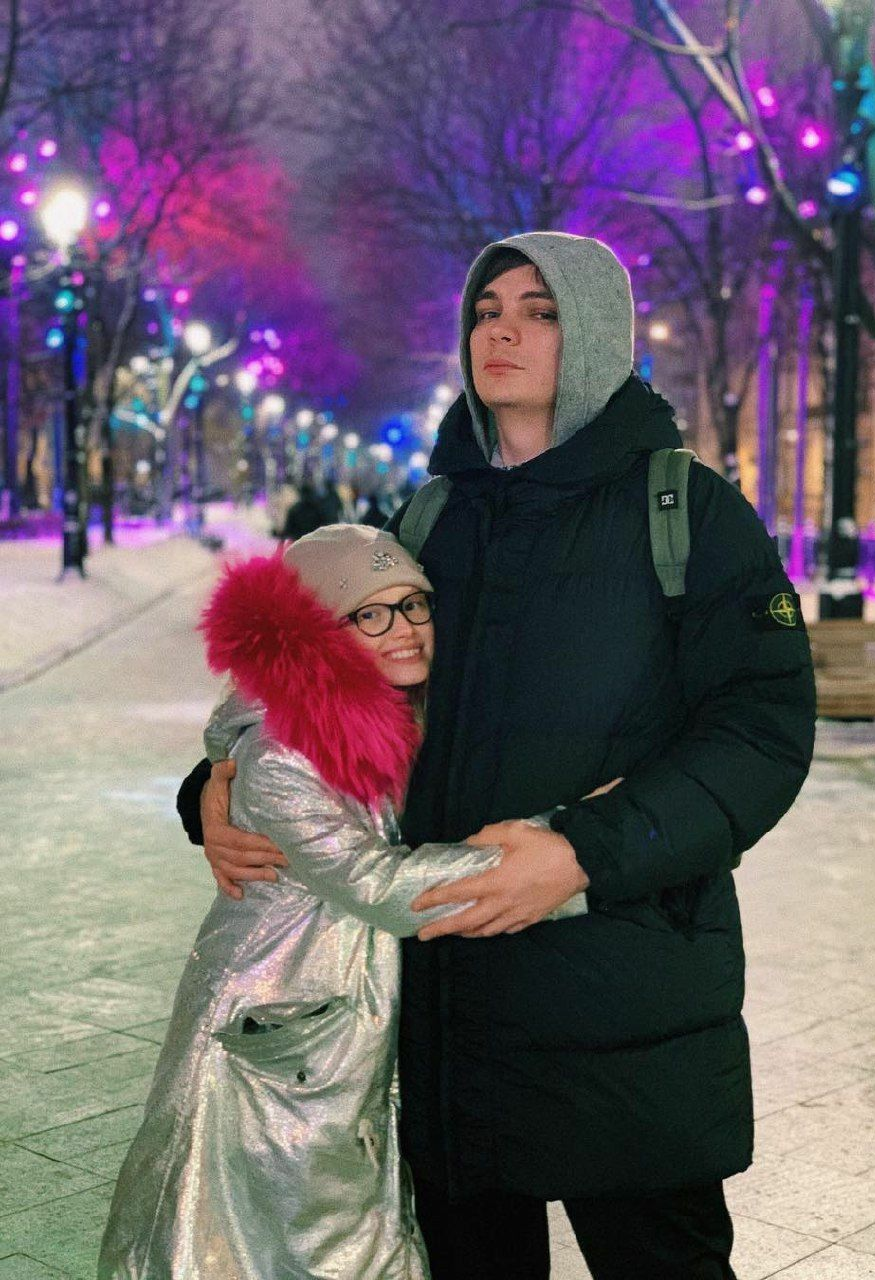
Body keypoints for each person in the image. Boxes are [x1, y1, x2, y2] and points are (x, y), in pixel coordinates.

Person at [180, 233, 816, 1279]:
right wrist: (219, 784)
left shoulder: (684, 510)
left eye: (539, 310)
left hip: (624, 989)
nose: (503, 331)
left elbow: (760, 729)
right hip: (449, 1006)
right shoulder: (433, 515)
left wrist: (584, 852)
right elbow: (318, 681)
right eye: (487, 311)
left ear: (596, 334)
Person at [99, 525, 586, 1279]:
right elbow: (381, 886)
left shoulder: (403, 717)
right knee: (264, 1248)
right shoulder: (284, 751)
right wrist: (565, 854)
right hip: (276, 1035)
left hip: (341, 1026)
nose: (404, 629)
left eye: (414, 604)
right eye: (369, 614)